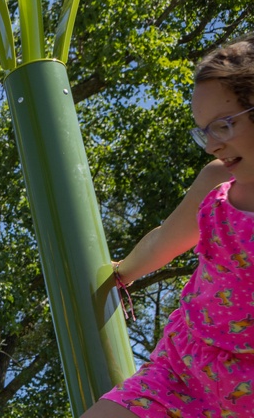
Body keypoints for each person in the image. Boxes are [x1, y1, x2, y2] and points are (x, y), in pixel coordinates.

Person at [85, 34, 254, 417]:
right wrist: (121, 272)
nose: (212, 145)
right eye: (203, 131)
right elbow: (165, 238)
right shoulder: (217, 186)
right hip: (176, 374)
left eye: (223, 126)